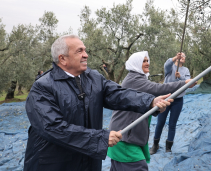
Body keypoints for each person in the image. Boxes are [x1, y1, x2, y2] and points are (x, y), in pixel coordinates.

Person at [23, 35, 172, 171]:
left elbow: (117, 94)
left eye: (85, 50)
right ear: (63, 59)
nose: (86, 55)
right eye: (79, 51)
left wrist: (150, 101)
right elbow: (53, 128)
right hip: (55, 163)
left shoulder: (92, 77)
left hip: (88, 160)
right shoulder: (43, 88)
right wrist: (100, 138)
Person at [107, 51, 196, 171]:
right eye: (143, 61)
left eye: (147, 60)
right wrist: (183, 84)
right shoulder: (134, 79)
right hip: (125, 137)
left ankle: (167, 146)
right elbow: (158, 88)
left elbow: (143, 101)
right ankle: (156, 144)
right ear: (136, 64)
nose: (147, 63)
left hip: (126, 135)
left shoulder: (137, 78)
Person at [150, 52, 191, 155]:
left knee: (172, 124)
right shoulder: (170, 68)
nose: (181, 57)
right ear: (177, 57)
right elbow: (167, 64)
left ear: (184, 59)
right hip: (166, 99)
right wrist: (174, 58)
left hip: (178, 100)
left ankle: (168, 147)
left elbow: (189, 83)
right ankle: (155, 145)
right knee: (160, 123)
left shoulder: (186, 70)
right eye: (180, 55)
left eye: (183, 56)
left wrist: (180, 77)